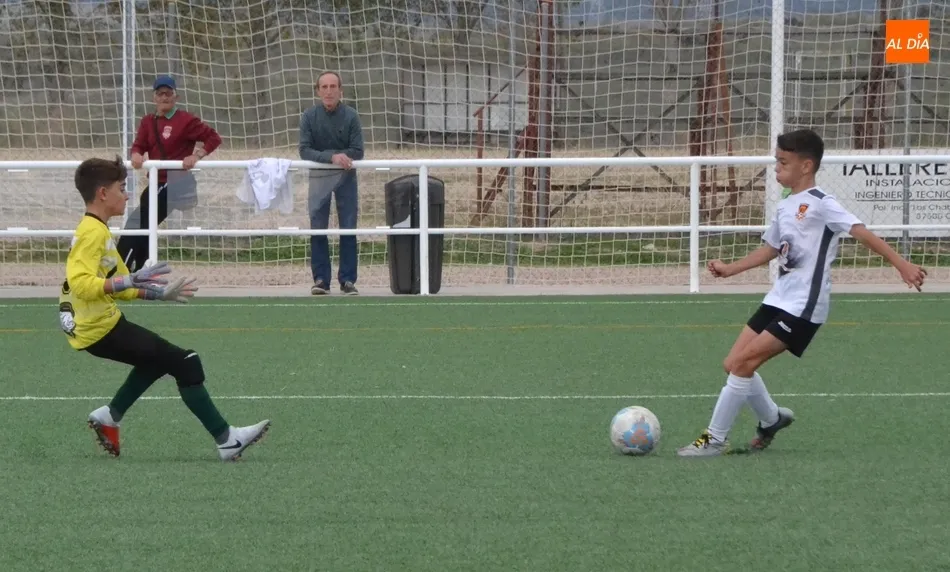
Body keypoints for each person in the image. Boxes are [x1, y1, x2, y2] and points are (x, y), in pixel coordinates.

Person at [677, 129, 927, 457]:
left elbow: (861, 233)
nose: (777, 168)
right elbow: (771, 248)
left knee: (743, 364)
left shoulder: (823, 204)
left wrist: (901, 264)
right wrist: (730, 269)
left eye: (783, 162)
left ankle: (714, 439)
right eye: (777, 161)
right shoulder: (785, 205)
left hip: (803, 306)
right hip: (778, 298)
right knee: (732, 363)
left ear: (806, 166)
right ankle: (771, 419)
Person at [60, 156, 270, 462]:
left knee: (156, 361)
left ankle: (110, 416)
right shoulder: (92, 232)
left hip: (97, 325)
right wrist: (127, 280)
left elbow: (122, 286)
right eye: (122, 188)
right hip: (97, 328)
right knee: (186, 362)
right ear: (103, 193)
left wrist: (159, 293)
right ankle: (227, 440)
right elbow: (81, 284)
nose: (127, 195)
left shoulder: (98, 229)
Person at [117, 75, 222, 272]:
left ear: (176, 97)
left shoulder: (186, 120)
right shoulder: (148, 121)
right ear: (154, 97)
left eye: (168, 93)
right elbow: (139, 145)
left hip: (175, 183)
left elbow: (213, 138)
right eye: (160, 93)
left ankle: (121, 269)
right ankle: (140, 270)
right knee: (144, 224)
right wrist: (136, 154)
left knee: (138, 222)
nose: (164, 97)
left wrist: (196, 155)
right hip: (156, 182)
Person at [298, 71, 365, 295]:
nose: (329, 91)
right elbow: (304, 150)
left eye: (333, 86)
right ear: (318, 91)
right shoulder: (309, 116)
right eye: (324, 87)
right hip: (319, 178)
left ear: (340, 90)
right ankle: (321, 280)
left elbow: (358, 150)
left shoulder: (351, 116)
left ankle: (347, 280)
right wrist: (331, 157)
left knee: (348, 227)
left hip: (346, 177)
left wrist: (342, 158)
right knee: (318, 227)